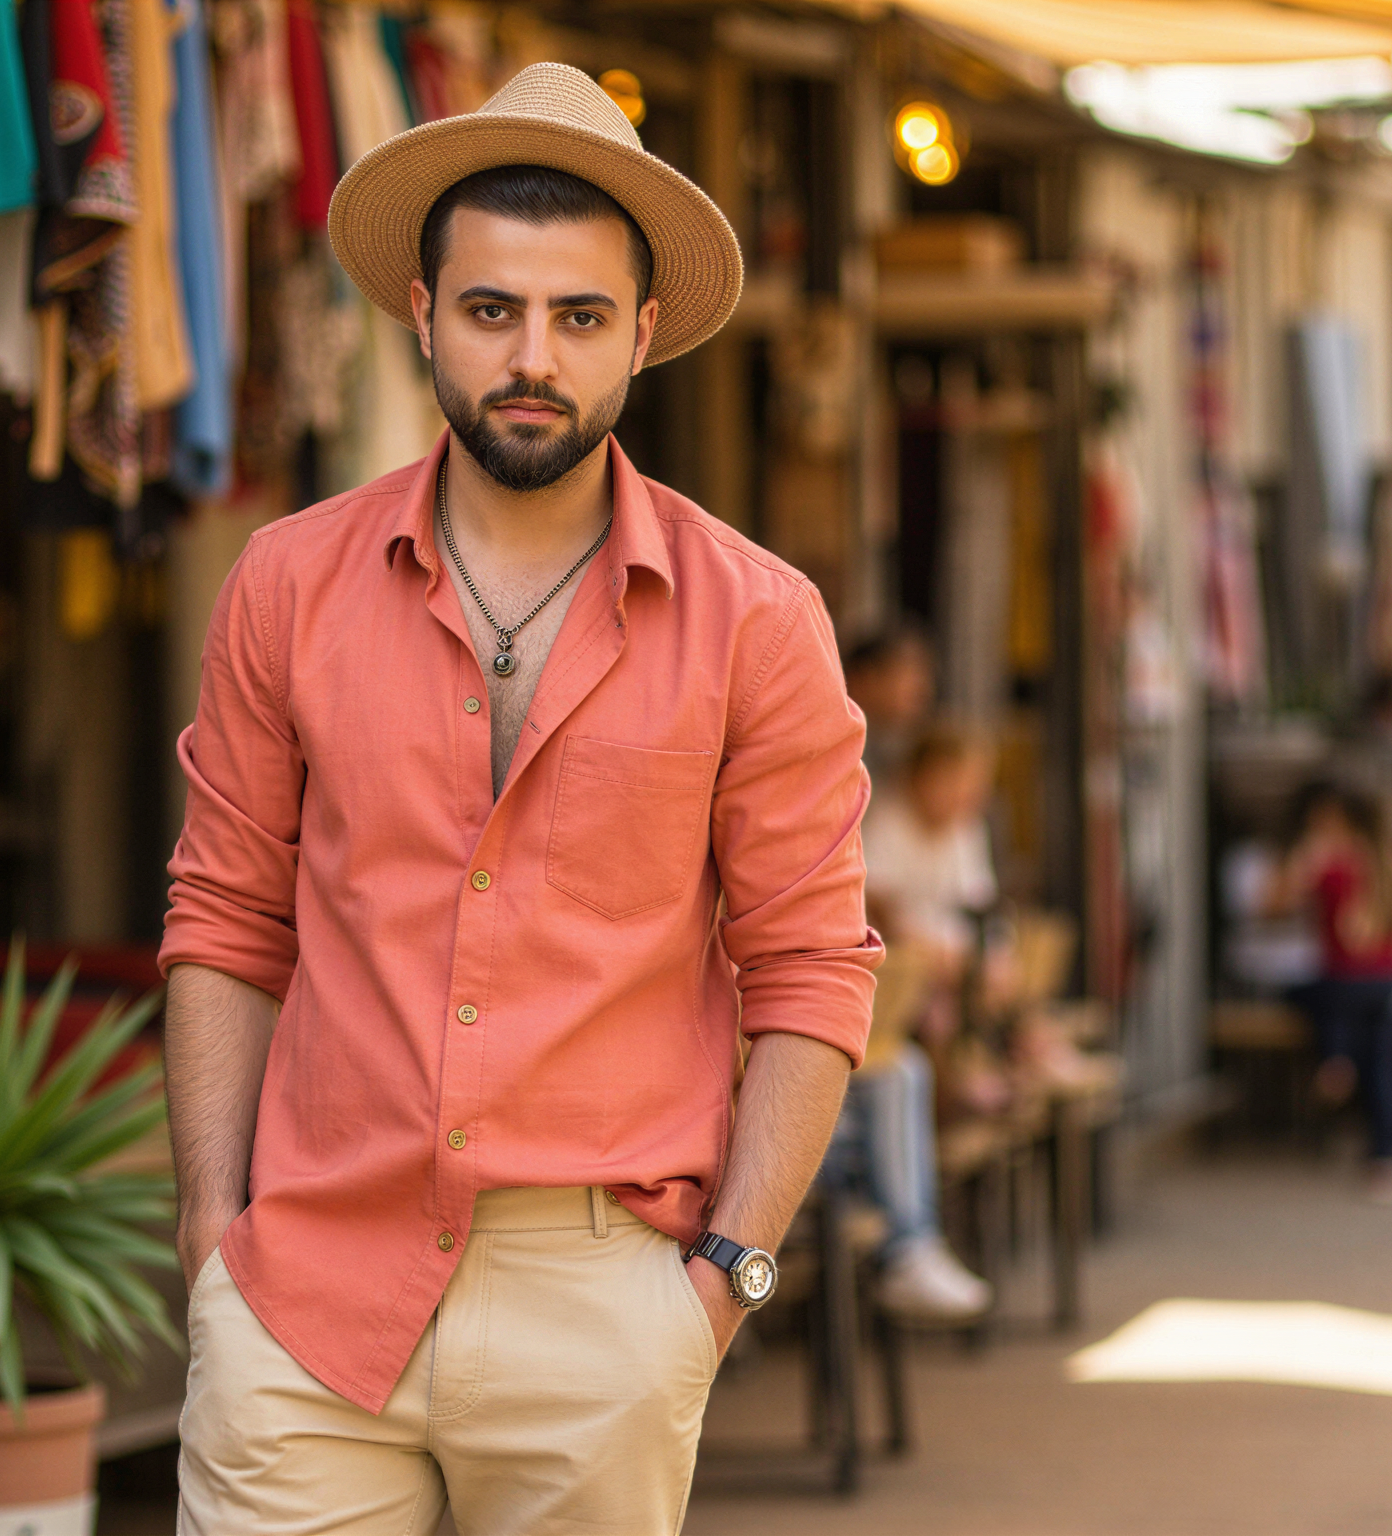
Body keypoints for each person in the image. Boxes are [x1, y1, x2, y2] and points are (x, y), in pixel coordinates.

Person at [158, 64, 881, 1535]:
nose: (532, 356)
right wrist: (211, 1240)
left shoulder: (757, 620)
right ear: (422, 315)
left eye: (578, 316)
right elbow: (226, 919)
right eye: (492, 311)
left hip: (603, 1305)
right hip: (305, 1298)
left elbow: (811, 969)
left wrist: (721, 1287)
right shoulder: (286, 586)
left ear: (645, 332)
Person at [844, 720, 1000, 1319]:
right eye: (954, 782)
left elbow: (976, 911)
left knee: (912, 1056)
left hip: (938, 980)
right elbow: (884, 916)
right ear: (923, 777)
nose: (964, 796)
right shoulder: (885, 825)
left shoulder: (961, 831)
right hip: (900, 983)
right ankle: (909, 1245)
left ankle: (913, 1245)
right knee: (908, 1056)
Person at [1269, 779, 1392, 1204]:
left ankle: (1335, 1057)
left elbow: (1272, 905)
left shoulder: (1329, 861)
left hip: (1340, 981)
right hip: (1386, 979)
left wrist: (1300, 861)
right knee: (1385, 1062)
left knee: (1305, 992)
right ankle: (1385, 1160)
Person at [844, 623, 934, 785]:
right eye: (909, 673)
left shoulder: (902, 748)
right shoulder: (832, 742)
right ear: (866, 677)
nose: (922, 688)